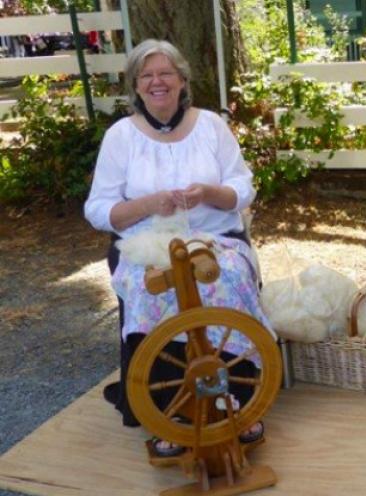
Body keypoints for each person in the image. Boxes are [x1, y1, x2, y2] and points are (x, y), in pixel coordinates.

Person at [84, 39, 269, 456]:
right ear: (136, 86)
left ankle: (237, 401)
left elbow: (243, 187)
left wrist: (209, 193)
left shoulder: (211, 126)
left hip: (216, 238)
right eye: (146, 76)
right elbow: (97, 209)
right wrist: (148, 205)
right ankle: (169, 413)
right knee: (153, 288)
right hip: (143, 245)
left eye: (166, 73)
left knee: (229, 278)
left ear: (183, 80)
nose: (157, 82)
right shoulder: (120, 137)